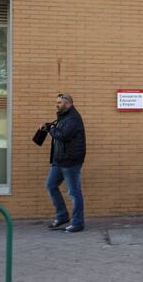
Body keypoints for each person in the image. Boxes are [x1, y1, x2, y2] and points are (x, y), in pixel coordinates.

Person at [41, 93, 86, 233]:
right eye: (57, 102)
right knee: (51, 186)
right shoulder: (64, 117)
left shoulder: (73, 118)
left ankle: (78, 223)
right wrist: (51, 126)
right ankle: (62, 216)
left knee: (74, 192)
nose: (57, 104)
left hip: (70, 161)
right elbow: (59, 132)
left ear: (68, 104)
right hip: (59, 160)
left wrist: (50, 129)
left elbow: (63, 136)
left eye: (59, 103)